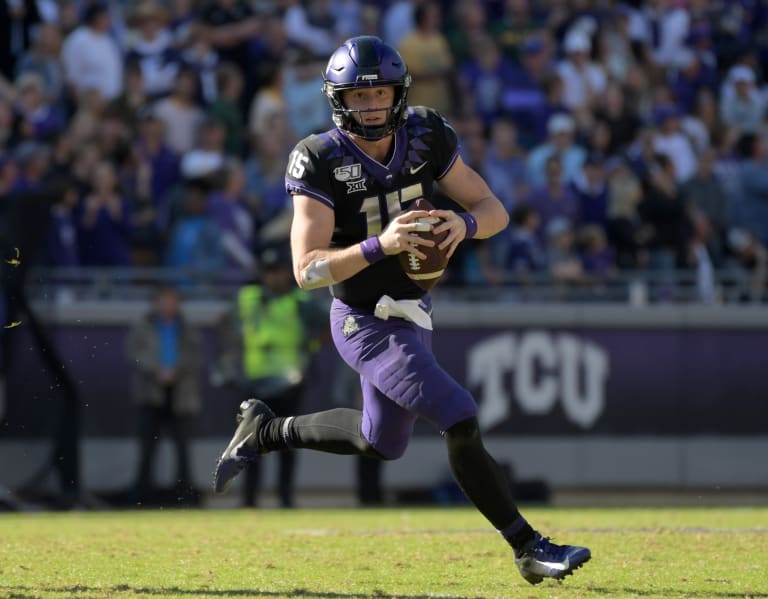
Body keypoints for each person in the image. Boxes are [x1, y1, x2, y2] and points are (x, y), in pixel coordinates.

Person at [212, 36, 591, 585]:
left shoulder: (427, 133)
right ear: (337, 100)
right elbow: (305, 270)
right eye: (357, 97)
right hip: (361, 319)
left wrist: (464, 224)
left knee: (380, 441)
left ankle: (266, 431)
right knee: (458, 413)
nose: (370, 107)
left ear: (399, 93)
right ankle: (528, 547)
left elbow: (494, 208)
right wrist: (380, 246)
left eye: (380, 94)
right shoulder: (318, 157)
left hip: (413, 310)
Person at [213, 243, 327, 507]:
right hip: (254, 383)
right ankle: (250, 500)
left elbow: (329, 327)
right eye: (268, 272)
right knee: (250, 445)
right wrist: (230, 361)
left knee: (287, 442)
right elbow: (223, 325)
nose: (273, 277)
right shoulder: (248, 297)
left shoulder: (300, 301)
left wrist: (310, 348)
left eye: (277, 271)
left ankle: (285, 498)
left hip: (289, 383)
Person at [128, 284, 203, 503]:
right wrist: (156, 370)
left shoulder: (186, 327)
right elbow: (135, 354)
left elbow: (195, 356)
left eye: (172, 300)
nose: (168, 304)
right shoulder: (143, 326)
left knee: (182, 448)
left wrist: (175, 371)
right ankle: (143, 494)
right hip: (151, 393)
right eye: (164, 299)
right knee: (148, 447)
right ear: (156, 302)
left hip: (180, 394)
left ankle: (184, 494)